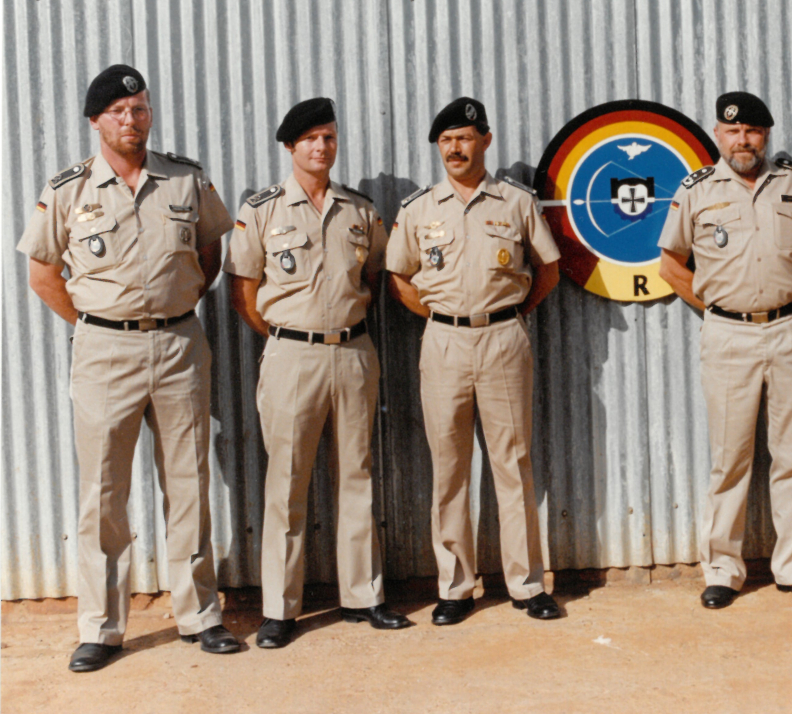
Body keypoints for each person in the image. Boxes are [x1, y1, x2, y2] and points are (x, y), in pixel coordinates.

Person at [17, 64, 238, 671]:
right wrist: (96, 322)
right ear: (96, 121)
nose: (131, 119)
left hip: (178, 346)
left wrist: (173, 306)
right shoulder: (68, 190)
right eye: (118, 111)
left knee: (188, 483)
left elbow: (210, 254)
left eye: (139, 108)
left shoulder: (186, 179)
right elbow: (43, 274)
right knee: (103, 491)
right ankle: (101, 627)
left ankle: (200, 615)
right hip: (104, 354)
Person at [224, 97, 409, 648]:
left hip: (353, 353)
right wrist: (289, 337)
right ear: (290, 146)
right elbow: (244, 292)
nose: (321, 147)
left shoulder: (360, 211)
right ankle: (280, 609)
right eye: (310, 139)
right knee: (286, 482)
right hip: (291, 356)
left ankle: (363, 596)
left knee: (357, 475)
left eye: (328, 137)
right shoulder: (261, 210)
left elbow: (373, 278)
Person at [386, 97, 562, 625]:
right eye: (446, 141)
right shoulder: (419, 208)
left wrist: (507, 313)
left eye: (464, 138)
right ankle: (455, 587)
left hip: (503, 338)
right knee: (449, 467)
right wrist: (444, 318)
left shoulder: (515, 202)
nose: (455, 149)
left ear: (485, 140)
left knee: (513, 463)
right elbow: (399, 278)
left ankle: (526, 585)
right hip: (443, 343)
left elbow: (547, 270)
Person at [658, 91, 792, 610]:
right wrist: (715, 306)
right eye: (732, 131)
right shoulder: (696, 191)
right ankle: (722, 570)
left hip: (791, 329)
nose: (742, 140)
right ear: (718, 134)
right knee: (730, 459)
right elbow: (670, 264)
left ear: (766, 135)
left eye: (752, 131)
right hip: (728, 335)